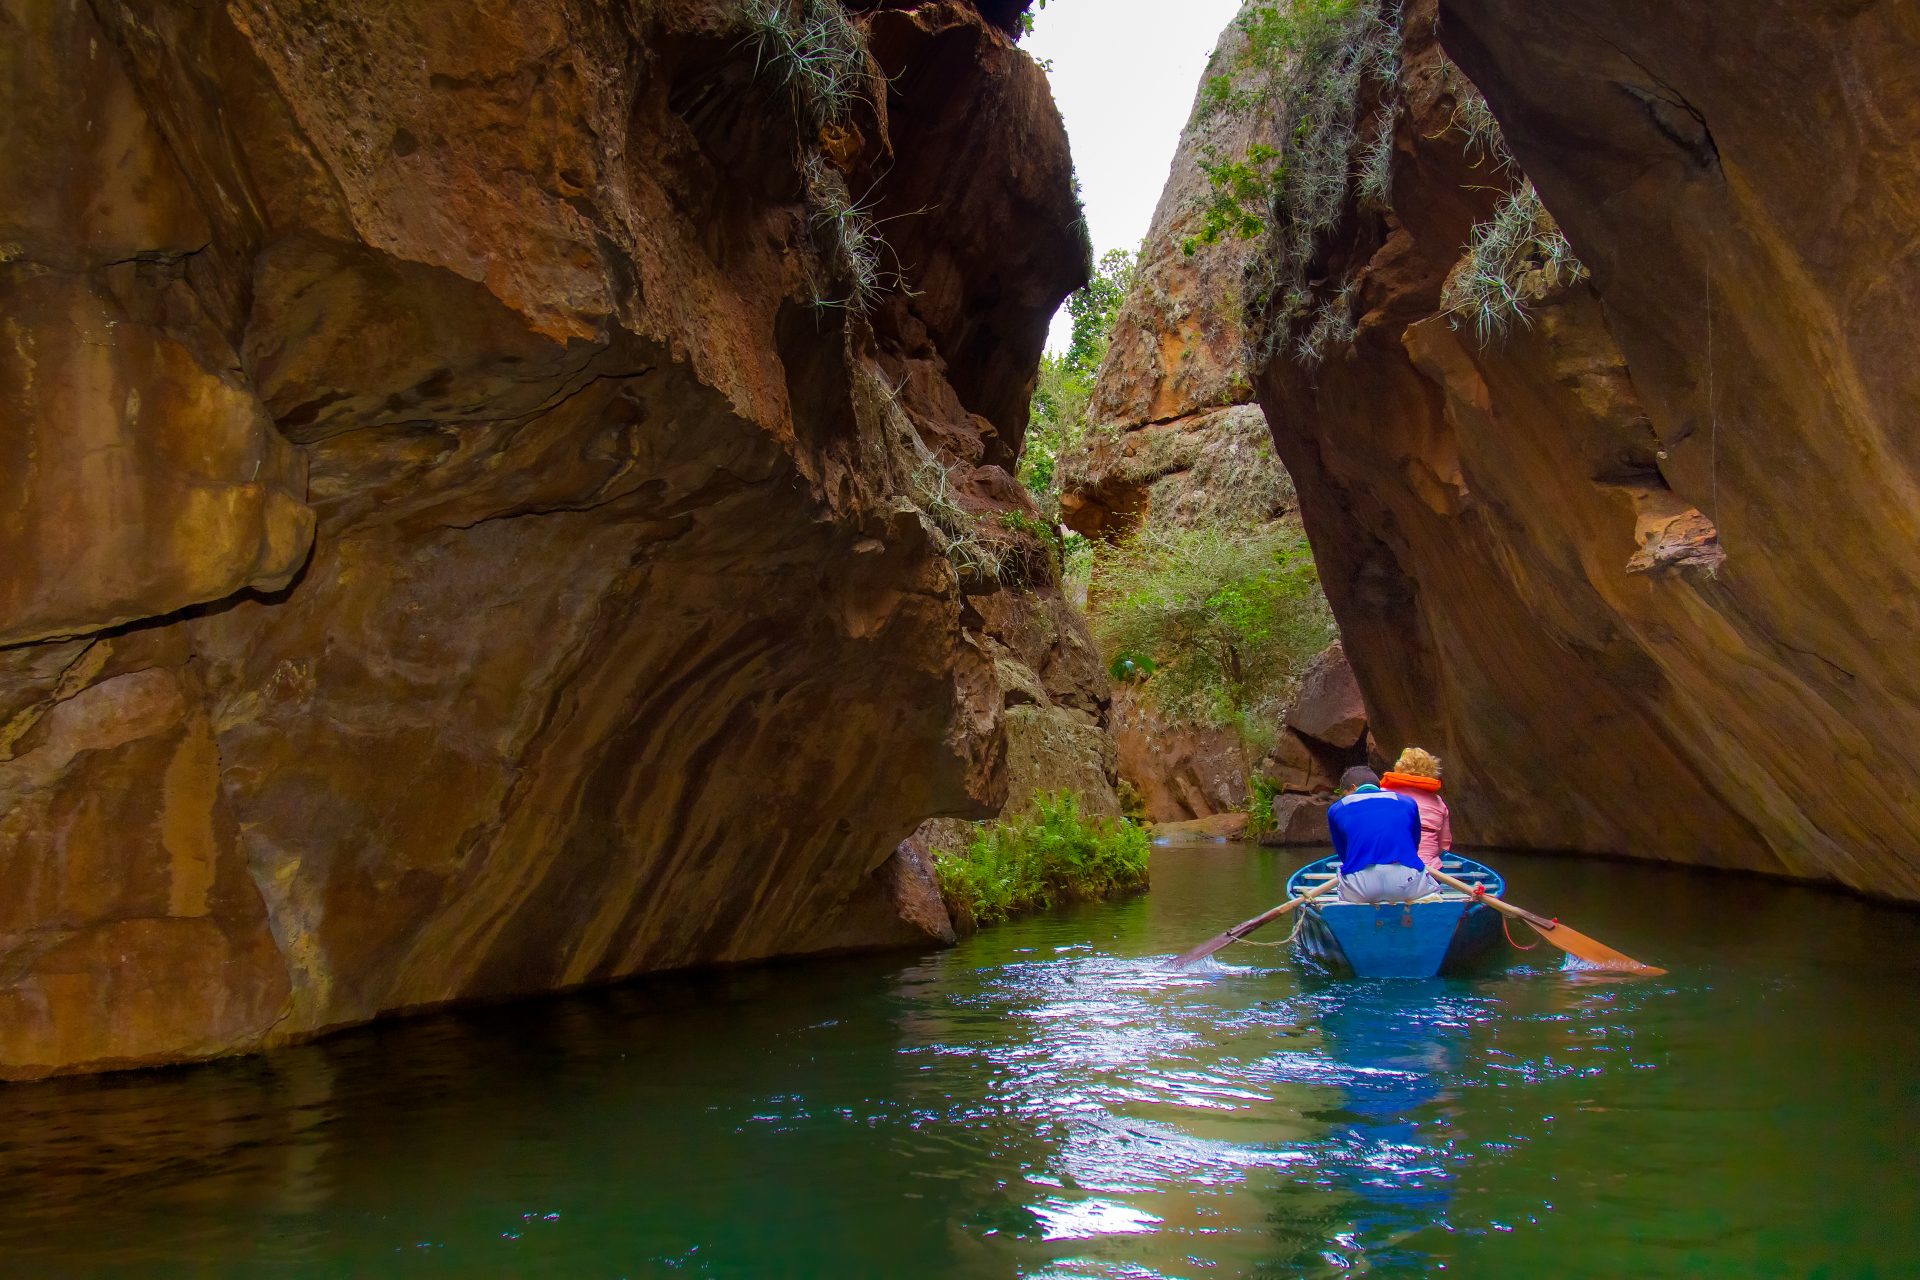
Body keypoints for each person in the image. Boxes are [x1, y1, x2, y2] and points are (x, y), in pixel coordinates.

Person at [1326, 765, 1436, 903]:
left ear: (1353, 788)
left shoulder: (1336, 809)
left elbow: (1344, 855)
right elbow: (1414, 845)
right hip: (1407, 882)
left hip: (1361, 887)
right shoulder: (1408, 802)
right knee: (1434, 890)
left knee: (1343, 881)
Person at [1381, 747, 1452, 874]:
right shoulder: (1438, 802)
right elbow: (1444, 846)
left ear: (1399, 767)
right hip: (1428, 872)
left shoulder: (1381, 795)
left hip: (1386, 870)